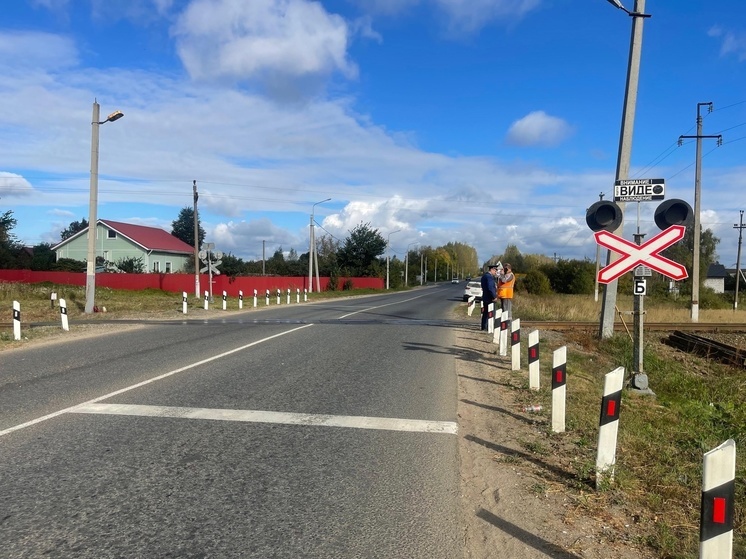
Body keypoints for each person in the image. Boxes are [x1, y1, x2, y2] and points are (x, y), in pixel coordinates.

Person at [480, 264, 499, 331]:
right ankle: (488, 327)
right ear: (492, 269)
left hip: (485, 297)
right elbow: (490, 288)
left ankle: (483, 326)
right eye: (495, 270)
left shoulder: (484, 276)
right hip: (490, 298)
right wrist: (494, 296)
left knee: (485, 313)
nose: (495, 272)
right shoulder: (489, 277)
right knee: (490, 313)